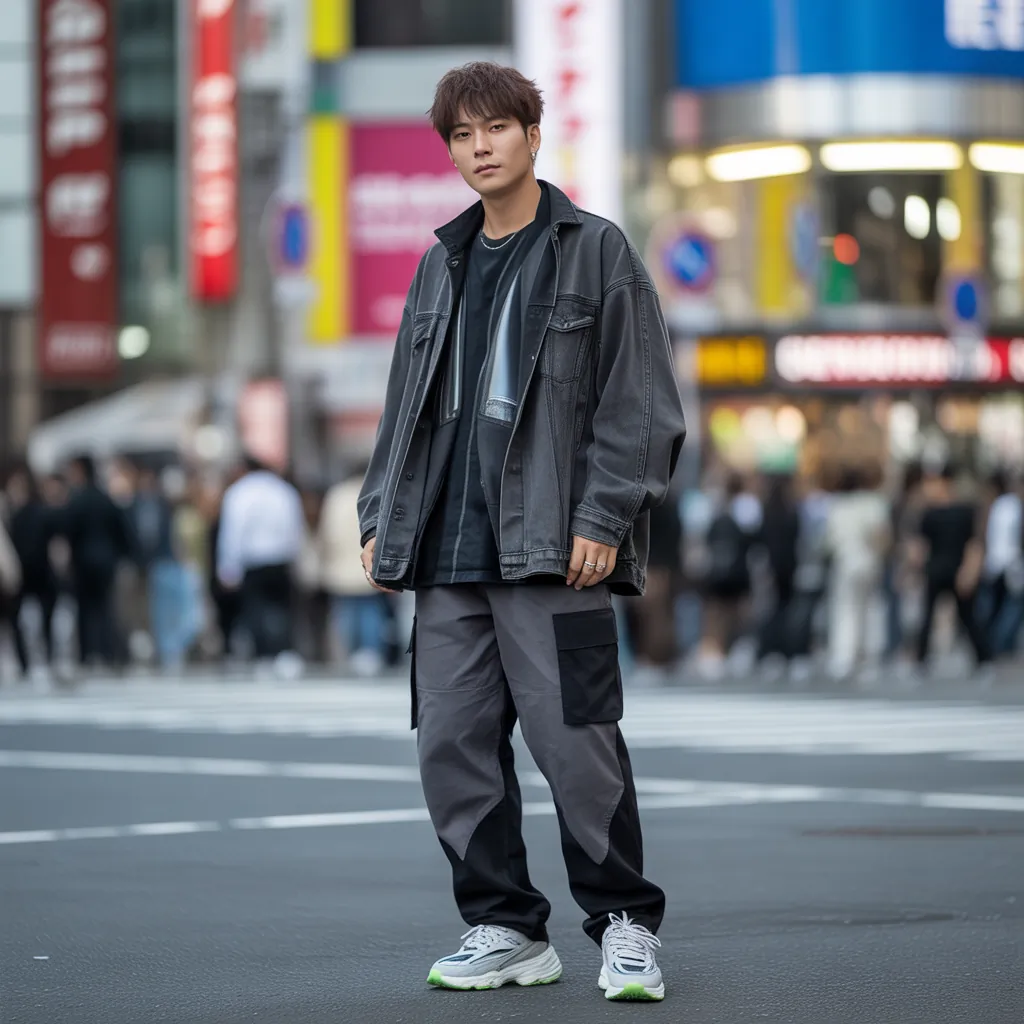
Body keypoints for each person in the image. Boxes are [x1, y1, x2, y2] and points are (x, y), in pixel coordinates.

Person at [357, 63, 685, 1001]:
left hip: (553, 546)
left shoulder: (596, 252)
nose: (480, 147)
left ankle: (625, 925)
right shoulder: (439, 261)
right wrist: (383, 515)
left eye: (496, 127)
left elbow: (642, 404)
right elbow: (402, 411)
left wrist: (603, 515)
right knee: (450, 742)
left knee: (577, 741)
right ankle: (504, 925)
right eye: (461, 135)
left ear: (533, 135)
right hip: (448, 552)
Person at [216, 456, 305, 673]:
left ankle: (264, 654)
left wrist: (228, 566)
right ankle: (284, 652)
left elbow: (233, 532)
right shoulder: (283, 490)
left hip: (253, 560)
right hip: (281, 558)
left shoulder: (239, 493)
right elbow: (295, 526)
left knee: (255, 609)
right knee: (281, 608)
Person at [60, 455, 135, 669]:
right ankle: (107, 651)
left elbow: (68, 531)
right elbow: (123, 531)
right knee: (105, 607)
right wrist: (122, 555)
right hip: (106, 561)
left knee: (85, 608)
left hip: (83, 561)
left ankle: (88, 653)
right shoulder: (106, 499)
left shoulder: (77, 500)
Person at [915, 465, 991, 671]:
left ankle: (983, 658)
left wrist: (969, 570)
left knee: (967, 616)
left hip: (953, 571)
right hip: (939, 571)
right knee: (931, 617)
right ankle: (921, 659)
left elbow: (973, 544)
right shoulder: (931, 514)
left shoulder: (961, 512)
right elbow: (921, 547)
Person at [319, 467, 388, 675]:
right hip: (371, 562)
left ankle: (351, 653)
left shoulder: (337, 495)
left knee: (346, 612)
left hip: (341, 565)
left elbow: (327, 532)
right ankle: (372, 653)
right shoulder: (377, 493)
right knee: (371, 610)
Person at [825, 464, 891, 680]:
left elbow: (829, 539)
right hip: (868, 561)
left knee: (845, 610)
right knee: (871, 609)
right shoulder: (873, 503)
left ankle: (844, 657)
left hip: (845, 562)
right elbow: (880, 535)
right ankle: (870, 657)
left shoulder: (837, 506)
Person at [4, 463, 59, 675]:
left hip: (34, 570)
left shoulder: (35, 512)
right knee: (18, 618)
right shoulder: (13, 512)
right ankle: (29, 661)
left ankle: (38, 659)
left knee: (38, 615)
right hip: (23, 571)